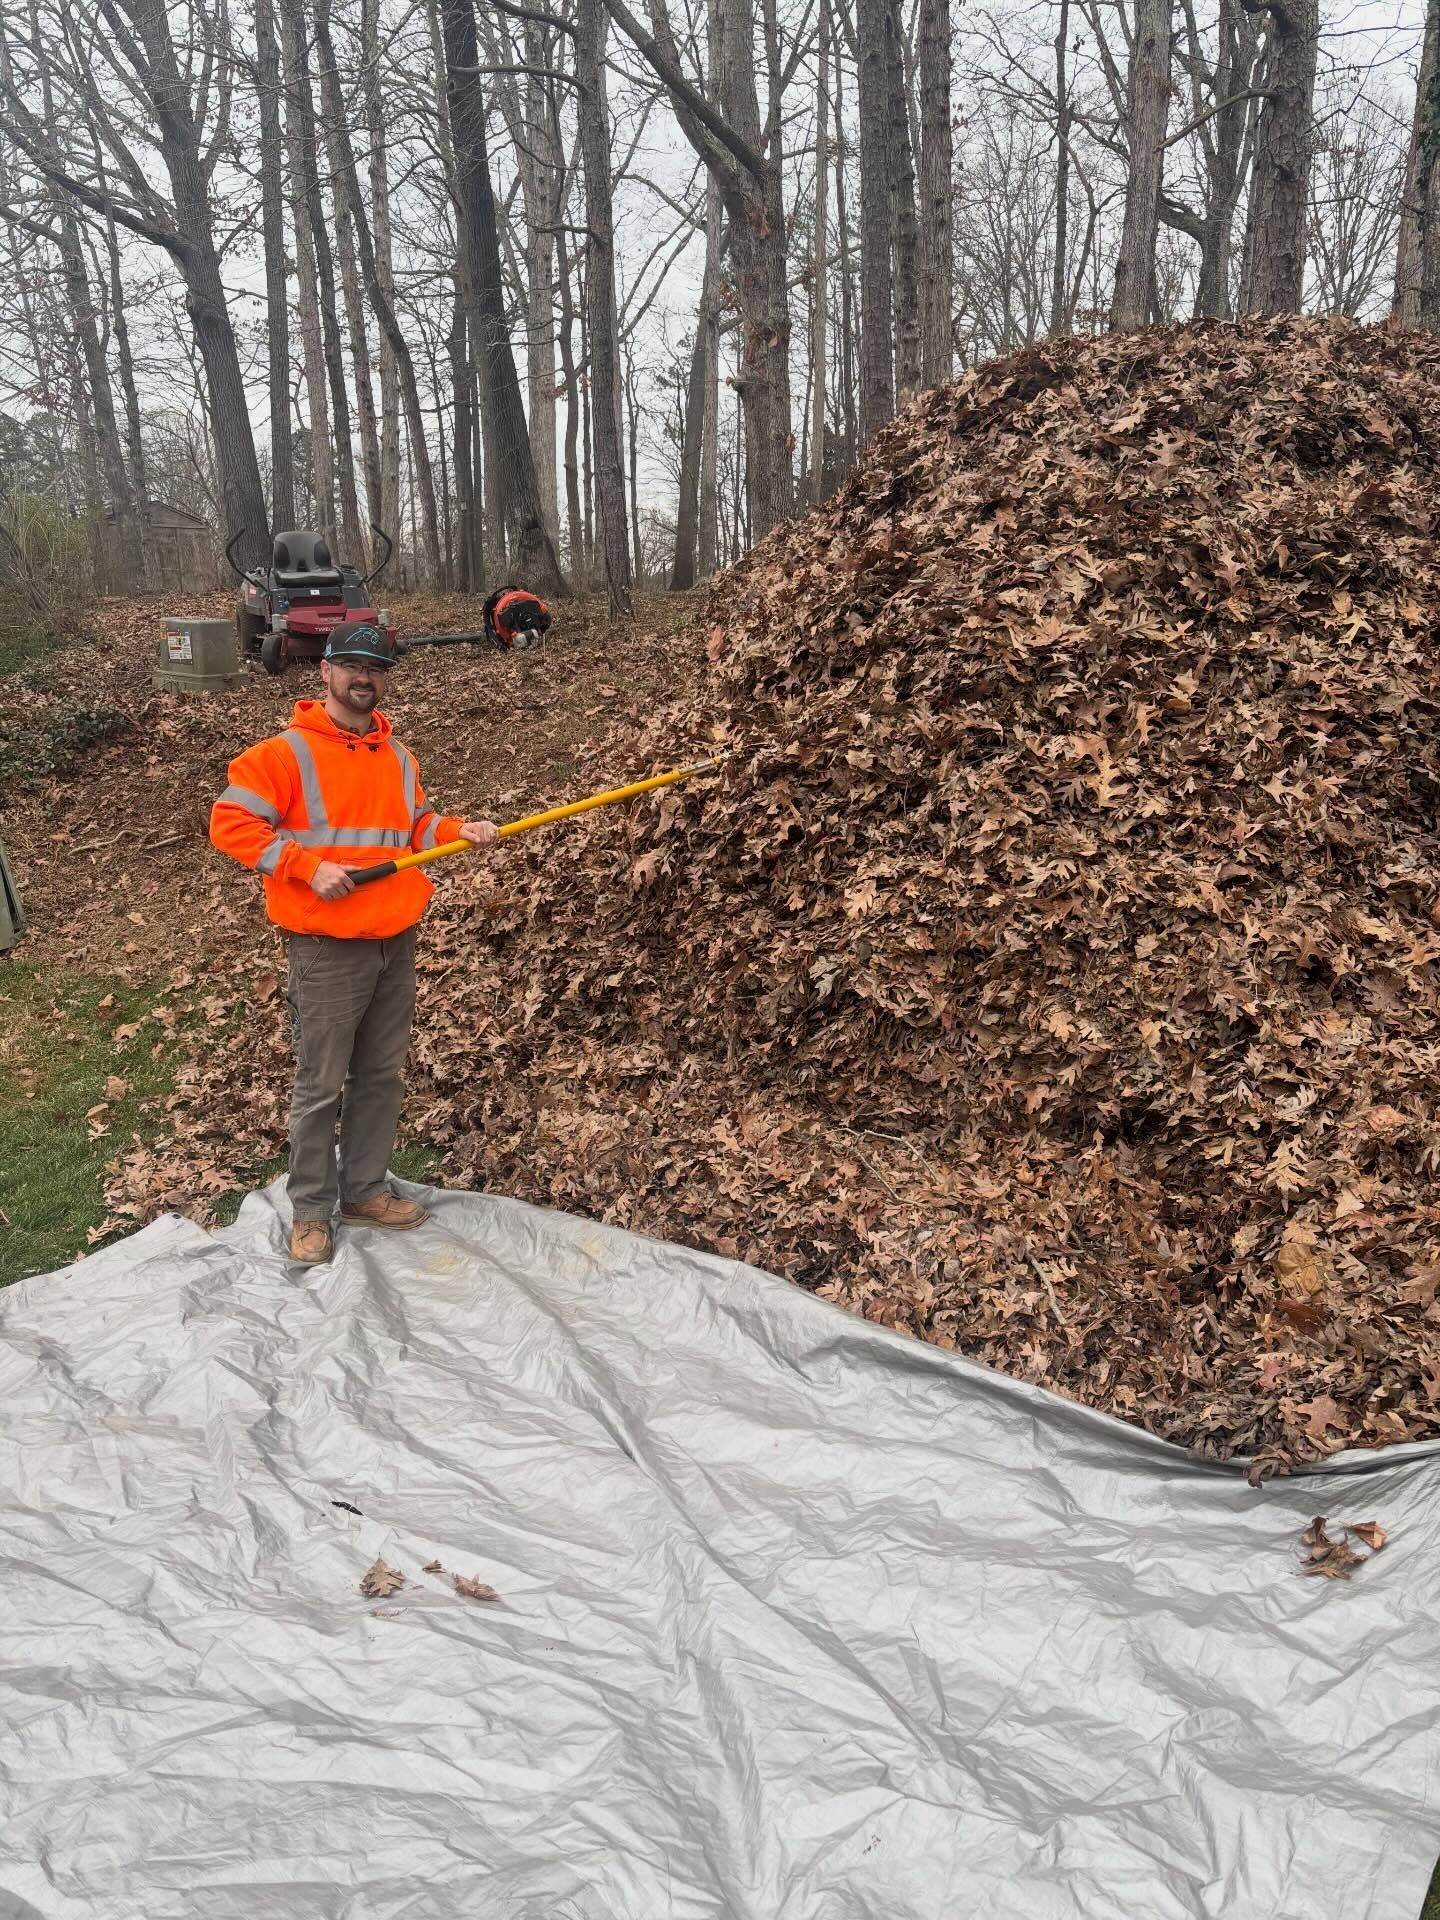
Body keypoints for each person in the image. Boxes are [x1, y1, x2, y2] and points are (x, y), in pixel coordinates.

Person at [209, 620, 498, 1265]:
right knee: (320, 1085)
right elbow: (230, 822)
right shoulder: (285, 753)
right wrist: (306, 866)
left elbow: (415, 826)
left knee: (380, 1074)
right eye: (352, 667)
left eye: (376, 669)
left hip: (395, 937)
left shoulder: (398, 757)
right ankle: (311, 1209)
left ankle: (364, 1188)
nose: (363, 679)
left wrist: (459, 828)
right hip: (326, 944)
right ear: (326, 672)